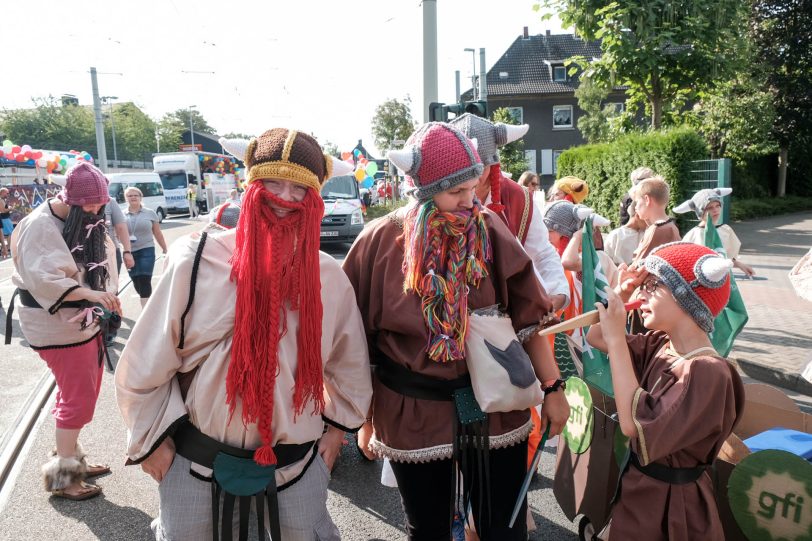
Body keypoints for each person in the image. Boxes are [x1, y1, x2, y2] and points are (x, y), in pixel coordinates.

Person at [116, 129, 372, 541]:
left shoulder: (328, 276)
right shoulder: (196, 259)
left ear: (314, 198)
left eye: (298, 187)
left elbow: (349, 363)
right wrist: (151, 441)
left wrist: (338, 430)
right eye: (272, 182)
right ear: (250, 185)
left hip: (296, 466)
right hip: (194, 461)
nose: (284, 198)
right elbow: (148, 358)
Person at [343, 122, 569, 541]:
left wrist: (553, 389)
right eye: (456, 193)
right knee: (427, 531)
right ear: (423, 190)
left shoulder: (490, 229)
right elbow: (356, 344)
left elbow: (529, 320)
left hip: (495, 407)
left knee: (503, 529)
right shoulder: (378, 242)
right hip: (412, 410)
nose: (470, 202)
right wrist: (364, 419)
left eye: (472, 188)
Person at [586, 242, 745, 540]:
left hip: (673, 506)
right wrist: (620, 293)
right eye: (641, 286)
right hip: (639, 492)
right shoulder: (660, 344)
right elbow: (595, 336)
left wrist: (619, 341)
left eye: (652, 285)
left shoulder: (708, 372)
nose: (641, 294)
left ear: (686, 295)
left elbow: (635, 426)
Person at [9, 162, 120, 500]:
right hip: (57, 326)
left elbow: (104, 258)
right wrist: (91, 294)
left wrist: (104, 297)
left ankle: (71, 458)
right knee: (78, 398)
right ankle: (64, 478)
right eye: (89, 204)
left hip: (80, 323)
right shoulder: (39, 225)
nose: (95, 210)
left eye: (100, 204)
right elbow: (45, 277)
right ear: (69, 198)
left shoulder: (83, 216)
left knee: (76, 394)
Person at [450, 113, 569, 312]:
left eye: (480, 169)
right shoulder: (439, 199)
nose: (473, 178)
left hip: (505, 315)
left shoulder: (518, 198)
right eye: (464, 170)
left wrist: (556, 293)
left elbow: (541, 253)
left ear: (493, 163)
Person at [675, 187, 756, 277]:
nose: (715, 210)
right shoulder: (693, 235)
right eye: (709, 207)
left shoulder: (725, 230)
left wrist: (741, 265)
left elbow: (725, 257)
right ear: (700, 212)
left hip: (723, 280)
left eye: (717, 205)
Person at [123, 187, 167, 307]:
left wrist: (164, 248)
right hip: (129, 252)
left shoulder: (150, 213)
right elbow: (118, 233)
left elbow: (157, 233)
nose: (133, 197)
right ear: (126, 198)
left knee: (144, 279)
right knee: (136, 282)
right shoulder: (122, 215)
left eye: (135, 195)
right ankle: (150, 303)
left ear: (140, 197)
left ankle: (146, 311)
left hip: (147, 249)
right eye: (130, 195)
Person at [629, 176, 681, 264]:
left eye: (637, 202)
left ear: (647, 200)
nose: (636, 207)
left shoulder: (658, 229)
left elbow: (638, 266)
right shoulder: (670, 226)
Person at [605, 198, 647, 266]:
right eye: (647, 217)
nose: (649, 222)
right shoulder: (616, 235)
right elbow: (606, 262)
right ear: (638, 215)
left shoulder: (647, 234)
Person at [0, 187, 13, 258]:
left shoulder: (2, 200)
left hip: (5, 219)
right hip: (4, 219)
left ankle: (5, 249)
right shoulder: (0, 200)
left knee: (6, 234)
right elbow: (3, 210)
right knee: (9, 233)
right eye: (7, 193)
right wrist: (10, 208)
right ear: (3, 192)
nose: (7, 194)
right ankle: (7, 249)